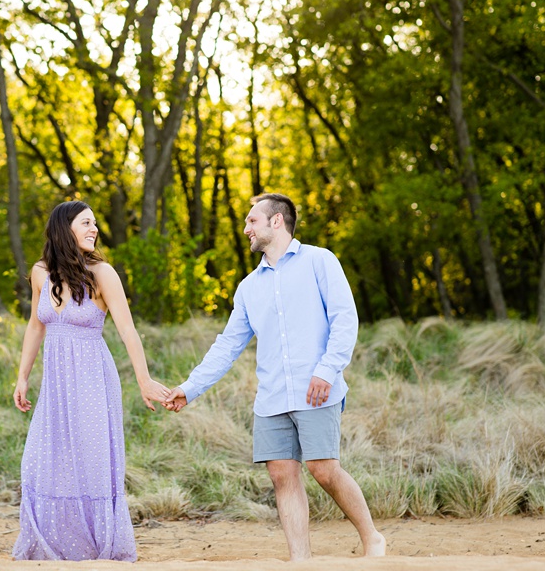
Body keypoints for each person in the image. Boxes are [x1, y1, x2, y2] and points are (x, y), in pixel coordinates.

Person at [164, 193, 386, 559]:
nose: (246, 228)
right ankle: (301, 560)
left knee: (323, 469)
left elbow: (345, 320)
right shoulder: (250, 287)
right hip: (271, 397)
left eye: (252, 220)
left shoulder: (320, 261)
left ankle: (371, 537)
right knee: (282, 474)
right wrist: (190, 388)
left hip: (317, 389)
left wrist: (327, 370)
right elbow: (227, 345)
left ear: (276, 221)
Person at [12, 200, 170, 561]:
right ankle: (55, 543)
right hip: (55, 384)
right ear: (63, 228)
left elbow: (128, 330)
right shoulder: (41, 273)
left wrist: (144, 381)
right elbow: (36, 325)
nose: (94, 229)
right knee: (44, 458)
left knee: (91, 461)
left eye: (95, 223)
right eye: (86, 223)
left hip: (92, 380)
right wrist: (22, 377)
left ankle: (99, 547)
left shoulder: (103, 273)